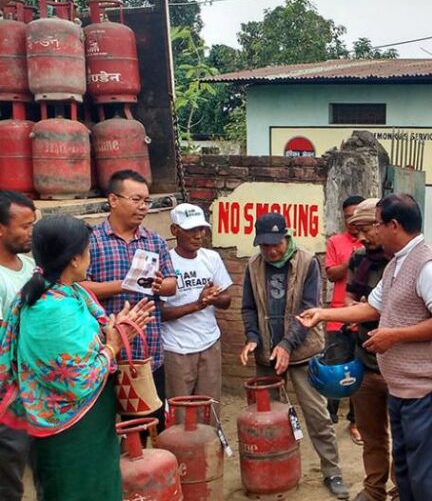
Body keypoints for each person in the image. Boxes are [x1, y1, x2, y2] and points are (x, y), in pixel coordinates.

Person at [298, 194, 432, 501]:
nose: (368, 233)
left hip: (426, 388)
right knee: (409, 471)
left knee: (428, 475)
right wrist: (323, 313)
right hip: (403, 388)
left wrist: (394, 336)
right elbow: (371, 308)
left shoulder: (427, 266)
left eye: (377, 225)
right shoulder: (397, 264)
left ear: (394, 225)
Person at [0, 215, 153, 501]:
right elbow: (77, 380)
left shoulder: (69, 293)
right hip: (70, 432)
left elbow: (87, 343)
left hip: (91, 425)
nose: (90, 256)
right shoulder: (51, 311)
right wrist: (113, 346)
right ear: (73, 258)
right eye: (88, 250)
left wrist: (116, 329)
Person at [239, 212, 348, 500]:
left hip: (302, 353)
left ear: (286, 237)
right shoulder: (253, 265)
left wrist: (287, 344)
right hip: (266, 357)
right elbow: (249, 308)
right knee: (268, 421)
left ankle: (332, 472)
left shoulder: (308, 262)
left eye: (275, 244)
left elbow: (309, 311)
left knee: (317, 416)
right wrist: (252, 338)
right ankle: (274, 473)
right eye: (264, 245)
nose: (270, 250)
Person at [82, 170, 177, 431]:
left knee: (150, 427)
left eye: (146, 201)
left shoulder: (154, 240)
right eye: (136, 200)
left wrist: (161, 285)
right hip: (104, 356)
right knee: (105, 429)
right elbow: (79, 288)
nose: (144, 207)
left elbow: (172, 283)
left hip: (147, 355)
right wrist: (123, 285)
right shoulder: (92, 242)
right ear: (113, 200)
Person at [345, 198, 396, 501]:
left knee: (403, 437)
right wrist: (357, 309)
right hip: (364, 360)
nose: (362, 238)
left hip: (397, 364)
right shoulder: (358, 261)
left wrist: (374, 311)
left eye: (365, 229)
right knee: (373, 436)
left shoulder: (402, 262)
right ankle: (374, 489)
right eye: (357, 232)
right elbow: (350, 298)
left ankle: (402, 488)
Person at [161, 204, 232, 420]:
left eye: (201, 229)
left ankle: (210, 452)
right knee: (181, 413)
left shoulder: (211, 258)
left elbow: (227, 300)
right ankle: (181, 454)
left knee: (209, 411)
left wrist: (214, 298)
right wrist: (197, 304)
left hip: (210, 343)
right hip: (176, 348)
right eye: (191, 230)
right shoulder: (166, 261)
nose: (198, 235)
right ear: (174, 230)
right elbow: (160, 313)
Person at [0, 191, 35, 501]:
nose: (31, 233)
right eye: (24, 226)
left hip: (32, 385)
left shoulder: (29, 263)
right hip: (7, 389)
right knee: (8, 472)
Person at [325, 195, 364, 441]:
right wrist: (354, 260)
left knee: (360, 373)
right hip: (337, 317)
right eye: (347, 216)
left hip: (363, 318)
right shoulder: (335, 242)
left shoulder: (374, 243)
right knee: (334, 372)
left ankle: (355, 422)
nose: (351, 220)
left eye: (355, 216)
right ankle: (329, 417)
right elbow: (331, 274)